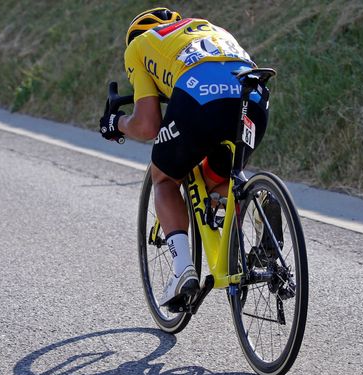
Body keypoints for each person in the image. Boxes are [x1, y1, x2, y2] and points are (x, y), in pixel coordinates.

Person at [99, 7, 270, 307]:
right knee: (220, 180)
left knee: (163, 177)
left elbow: (148, 124)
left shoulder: (139, 46)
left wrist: (116, 123)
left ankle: (182, 270)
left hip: (199, 95)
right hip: (252, 95)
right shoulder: (210, 29)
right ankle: (260, 210)